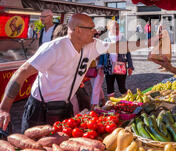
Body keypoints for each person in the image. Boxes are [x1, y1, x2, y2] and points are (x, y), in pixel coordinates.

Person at [0, 14, 152, 132]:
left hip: (65, 105)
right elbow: (21, 73)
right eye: (91, 28)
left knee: (64, 146)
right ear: (77, 30)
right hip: (41, 107)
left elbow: (120, 47)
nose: (95, 31)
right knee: (35, 149)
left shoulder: (92, 45)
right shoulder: (53, 48)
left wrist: (150, 42)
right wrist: (4, 109)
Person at [98, 20, 134, 99]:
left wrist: (130, 66)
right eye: (114, 28)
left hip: (120, 67)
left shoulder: (123, 40)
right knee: (109, 87)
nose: (116, 30)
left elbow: (128, 54)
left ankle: (128, 101)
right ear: (109, 29)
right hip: (108, 67)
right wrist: (100, 64)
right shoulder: (106, 40)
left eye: (117, 28)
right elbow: (102, 53)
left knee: (122, 87)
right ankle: (111, 104)